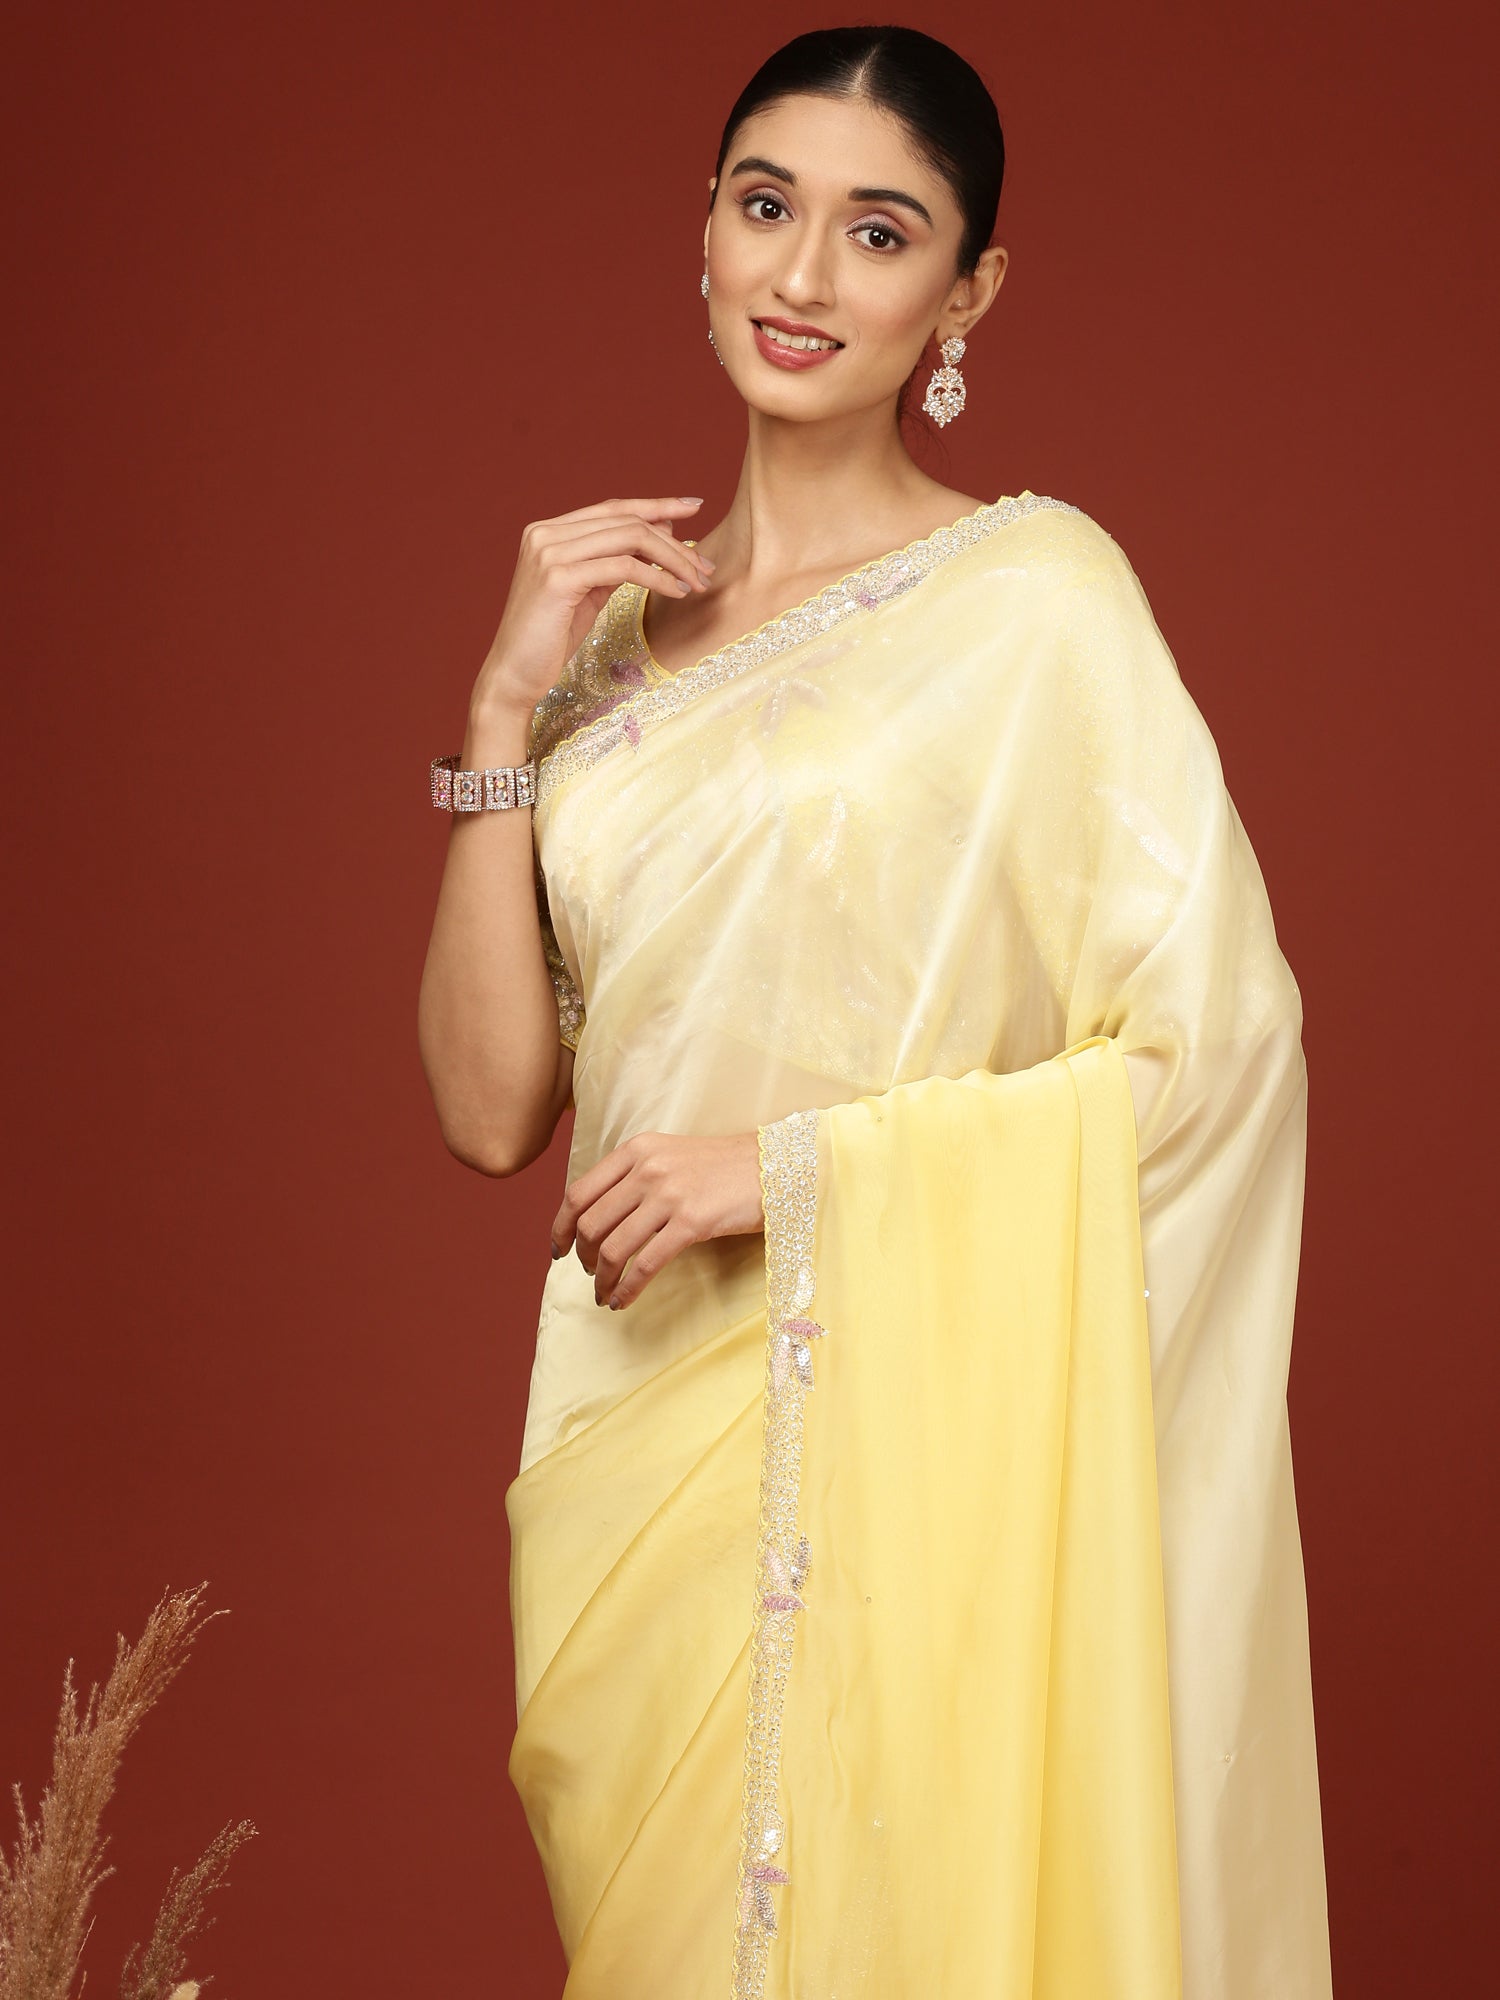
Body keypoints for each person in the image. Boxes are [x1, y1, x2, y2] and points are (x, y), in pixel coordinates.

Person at [417, 25, 1333, 1998]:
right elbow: (492, 1112)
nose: (805, 274)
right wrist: (499, 714)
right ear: (705, 229)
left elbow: (1217, 1053)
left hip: (913, 1447)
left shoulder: (1036, 599)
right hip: (632, 1438)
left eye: (880, 230)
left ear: (967, 294)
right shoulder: (603, 656)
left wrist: (796, 1171)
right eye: (767, 206)